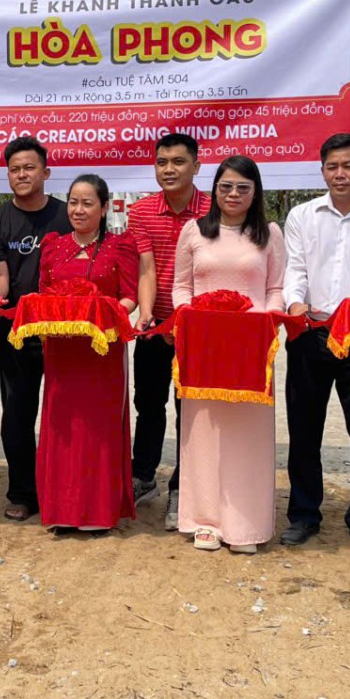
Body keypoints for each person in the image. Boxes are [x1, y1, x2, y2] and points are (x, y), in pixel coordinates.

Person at [281, 134, 350, 552]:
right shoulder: (302, 215)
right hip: (310, 332)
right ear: (322, 170)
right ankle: (303, 515)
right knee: (303, 429)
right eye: (332, 166)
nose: (340, 174)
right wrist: (295, 304)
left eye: (348, 166)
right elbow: (295, 268)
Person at [172, 156, 285, 554]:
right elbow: (181, 286)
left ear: (255, 192)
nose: (233, 194)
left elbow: (275, 290)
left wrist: (266, 322)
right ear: (215, 189)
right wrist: (187, 316)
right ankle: (204, 520)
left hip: (250, 349)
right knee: (203, 431)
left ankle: (245, 525)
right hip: (203, 347)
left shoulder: (269, 234)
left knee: (246, 436)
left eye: (242, 187)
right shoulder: (194, 231)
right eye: (226, 186)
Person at [36, 174, 139, 532]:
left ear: (104, 208)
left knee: (98, 427)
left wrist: (104, 315)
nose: (78, 210)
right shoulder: (53, 246)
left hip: (101, 351)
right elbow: (44, 294)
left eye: (88, 203)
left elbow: (130, 296)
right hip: (62, 351)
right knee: (63, 427)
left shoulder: (119, 247)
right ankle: (63, 511)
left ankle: (96, 513)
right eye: (73, 202)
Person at [0, 136, 70, 521]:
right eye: (15, 169)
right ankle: (22, 492)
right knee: (17, 411)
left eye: (29, 168)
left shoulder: (66, 216)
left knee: (64, 412)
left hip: (63, 331)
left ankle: (62, 490)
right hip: (17, 330)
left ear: (46, 173)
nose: (22, 175)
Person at [127, 132, 211, 528]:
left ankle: (184, 485)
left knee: (189, 410)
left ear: (196, 165)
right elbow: (145, 269)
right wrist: (146, 315)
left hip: (199, 328)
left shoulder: (213, 209)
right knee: (148, 404)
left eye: (178, 162)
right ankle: (143, 477)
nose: (169, 169)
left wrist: (189, 320)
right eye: (162, 162)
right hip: (155, 326)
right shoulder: (141, 211)